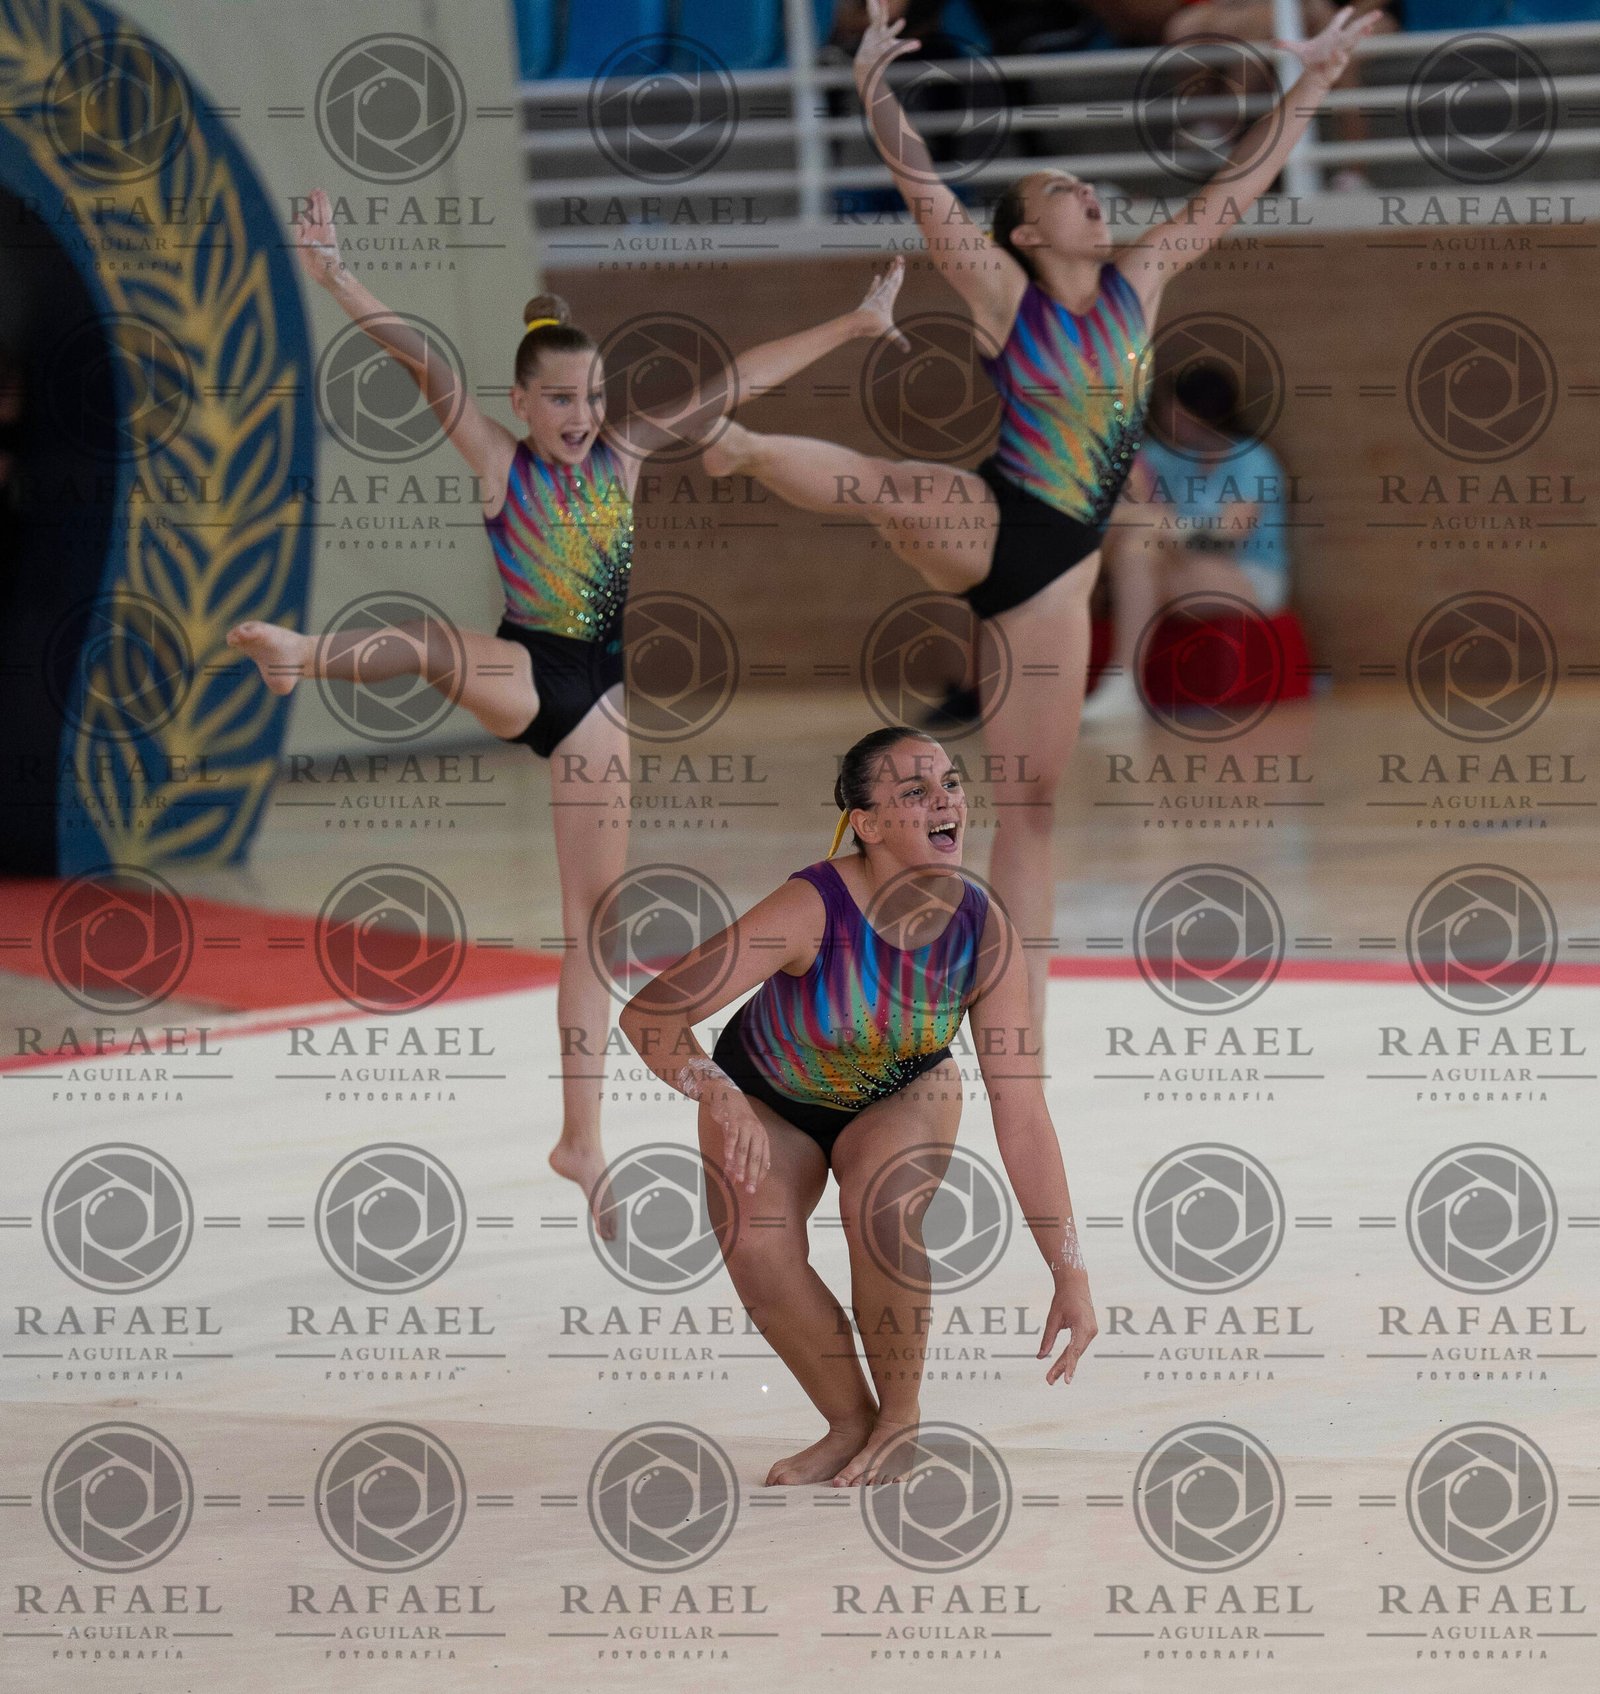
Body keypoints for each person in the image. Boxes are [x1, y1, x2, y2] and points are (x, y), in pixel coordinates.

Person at [698, 0, 1380, 1048]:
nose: (1088, 197)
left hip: (1057, 581)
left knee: (1029, 809)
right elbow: (925, 191)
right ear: (1024, 232)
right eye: (1063, 191)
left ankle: (1019, 1023)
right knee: (890, 485)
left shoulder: (1139, 283)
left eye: (1088, 188)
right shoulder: (1007, 295)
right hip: (999, 514)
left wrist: (1316, 81)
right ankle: (741, 446)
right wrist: (873, 86)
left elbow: (1233, 188)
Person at [228, 189, 911, 1231]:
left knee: (593, 933)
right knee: (431, 642)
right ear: (522, 400)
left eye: (590, 395)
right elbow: (425, 365)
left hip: (600, 710)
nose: (579, 413)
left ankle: (580, 1139)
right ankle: (303, 656)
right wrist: (336, 274)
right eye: (558, 399)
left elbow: (736, 381)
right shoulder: (498, 460)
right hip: (526, 667)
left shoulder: (622, 458)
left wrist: (855, 322)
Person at [619, 726, 1097, 1486]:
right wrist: (713, 1088)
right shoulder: (810, 907)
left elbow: (1024, 1116)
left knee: (881, 1206)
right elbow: (649, 1013)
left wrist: (1068, 1271)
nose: (945, 800)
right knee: (758, 1250)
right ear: (867, 824)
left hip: (901, 1091)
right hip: (766, 1098)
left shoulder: (984, 931)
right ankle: (849, 1423)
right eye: (916, 792)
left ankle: (901, 1420)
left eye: (950, 784)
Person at [1086, 359, 1292, 718]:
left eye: (1172, 407)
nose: (1165, 416)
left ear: (1195, 412)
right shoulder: (1168, 458)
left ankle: (1124, 683)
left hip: (1248, 575)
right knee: (1135, 546)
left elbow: (1226, 538)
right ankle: (1123, 684)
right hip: (1177, 566)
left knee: (1142, 542)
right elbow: (1121, 499)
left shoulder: (1252, 459)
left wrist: (1170, 527)